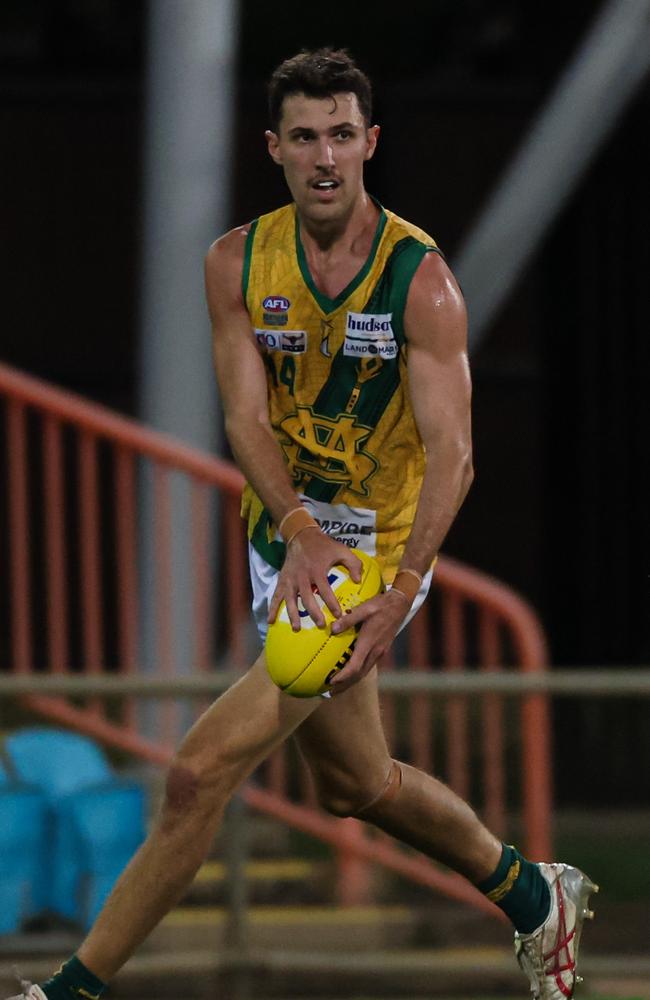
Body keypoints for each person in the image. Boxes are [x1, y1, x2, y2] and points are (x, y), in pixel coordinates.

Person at [9, 48, 597, 1000]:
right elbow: (243, 417)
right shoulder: (238, 261)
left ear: (370, 143)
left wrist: (400, 590)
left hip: (375, 558)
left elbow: (456, 456)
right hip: (284, 541)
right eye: (304, 137)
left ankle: (68, 992)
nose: (324, 157)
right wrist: (294, 525)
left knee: (200, 774)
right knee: (355, 785)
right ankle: (534, 895)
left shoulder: (421, 282)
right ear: (273, 148)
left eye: (341, 136)